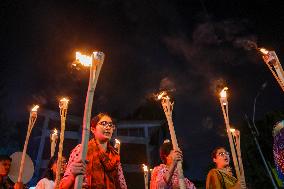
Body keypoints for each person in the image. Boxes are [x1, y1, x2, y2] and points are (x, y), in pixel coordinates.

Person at [59, 113, 127, 189]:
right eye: (103, 123)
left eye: (111, 125)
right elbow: (64, 184)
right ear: (93, 129)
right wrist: (73, 175)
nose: (108, 127)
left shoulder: (114, 156)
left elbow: (122, 185)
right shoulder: (81, 149)